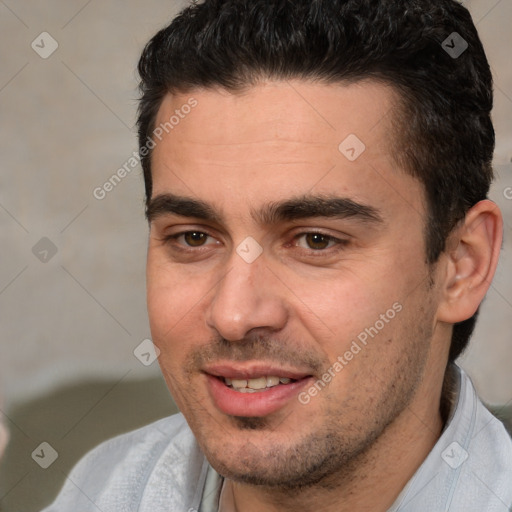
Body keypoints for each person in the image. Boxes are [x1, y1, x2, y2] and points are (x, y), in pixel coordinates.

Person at [42, 0, 512, 510]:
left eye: (316, 240)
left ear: (462, 266)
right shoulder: (102, 490)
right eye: (194, 237)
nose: (234, 315)